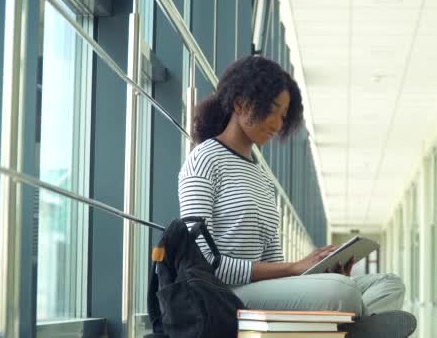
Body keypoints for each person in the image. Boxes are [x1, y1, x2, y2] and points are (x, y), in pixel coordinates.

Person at [178, 55, 416, 338]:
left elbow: (273, 260)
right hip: (222, 295)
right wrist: (294, 268)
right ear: (240, 103)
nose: (279, 123)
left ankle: (350, 331)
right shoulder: (204, 160)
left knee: (388, 284)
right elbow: (204, 264)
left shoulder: (261, 177)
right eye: (274, 110)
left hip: (258, 291)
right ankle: (351, 329)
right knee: (342, 292)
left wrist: (314, 271)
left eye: (284, 114)